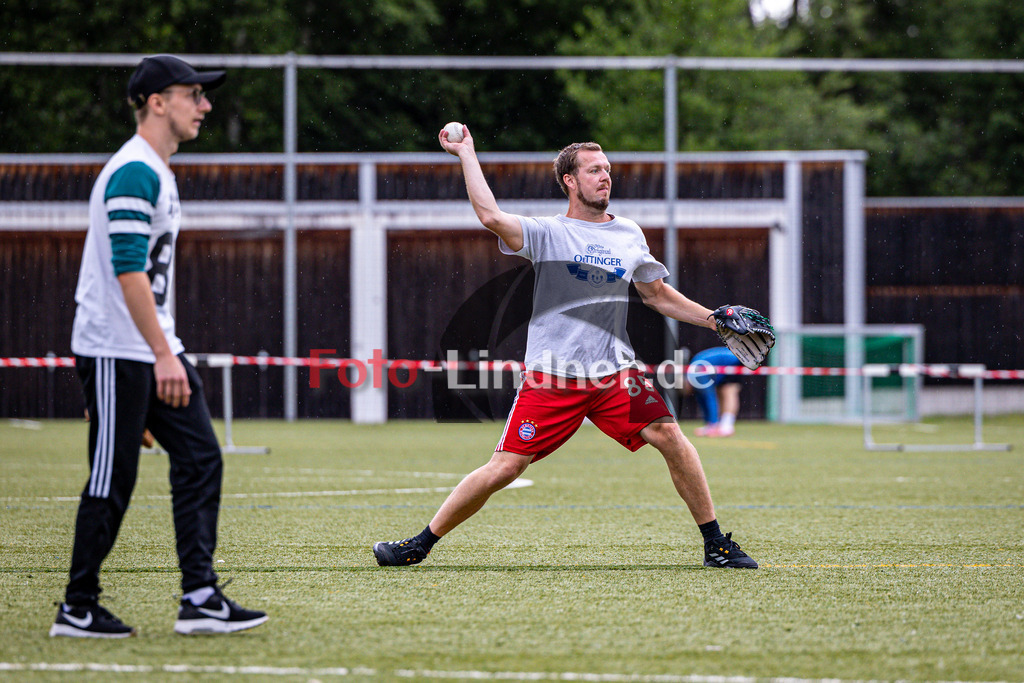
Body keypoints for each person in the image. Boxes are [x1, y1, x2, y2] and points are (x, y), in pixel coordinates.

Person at [372, 126, 757, 570]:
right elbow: (491, 217)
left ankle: (716, 545)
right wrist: (466, 154)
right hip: (553, 377)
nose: (605, 177)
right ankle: (419, 544)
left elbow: (657, 295)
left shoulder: (629, 233)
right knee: (505, 468)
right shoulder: (548, 233)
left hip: (616, 375)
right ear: (570, 181)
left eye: (608, 169)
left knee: (670, 436)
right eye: (594, 170)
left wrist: (711, 318)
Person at [50, 55, 268, 638]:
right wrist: (162, 356)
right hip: (120, 351)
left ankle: (199, 598)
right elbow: (127, 272)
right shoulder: (135, 172)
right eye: (193, 95)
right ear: (156, 102)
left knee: (200, 458)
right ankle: (77, 607)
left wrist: (164, 353)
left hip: (147, 350)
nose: (205, 106)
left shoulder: (159, 172)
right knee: (111, 478)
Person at [687, 346, 744, 438]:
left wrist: (713, 423)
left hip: (733, 360)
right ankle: (716, 425)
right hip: (729, 360)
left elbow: (709, 397)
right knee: (721, 391)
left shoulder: (695, 375)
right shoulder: (694, 373)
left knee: (729, 391)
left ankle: (726, 426)